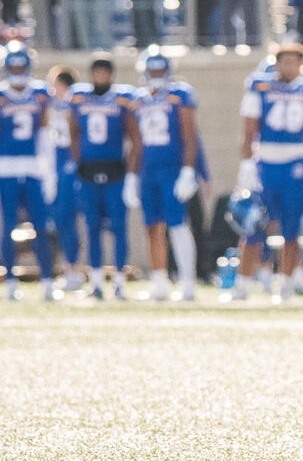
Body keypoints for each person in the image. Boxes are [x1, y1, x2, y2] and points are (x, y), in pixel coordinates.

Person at [238, 43, 303, 303]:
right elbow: (248, 129)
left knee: (292, 228)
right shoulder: (259, 85)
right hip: (265, 162)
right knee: (253, 224)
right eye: (285, 61)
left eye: (295, 62)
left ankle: (285, 286)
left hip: (296, 164)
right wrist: (246, 165)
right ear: (276, 63)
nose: (290, 66)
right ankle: (242, 286)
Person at [68, 55, 143, 301]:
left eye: (105, 73)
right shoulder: (78, 97)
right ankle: (97, 282)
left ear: (111, 75)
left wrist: (132, 174)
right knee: (92, 227)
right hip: (89, 170)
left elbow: (135, 137)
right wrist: (78, 162)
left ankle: (120, 281)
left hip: (115, 171)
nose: (101, 77)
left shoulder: (123, 98)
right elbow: (74, 134)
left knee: (119, 227)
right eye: (97, 73)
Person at [130, 50, 199, 302]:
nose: (156, 76)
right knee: (151, 226)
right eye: (153, 70)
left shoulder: (180, 95)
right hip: (148, 170)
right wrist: (131, 175)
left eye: (160, 71)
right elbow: (136, 143)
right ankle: (159, 281)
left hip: (172, 169)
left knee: (178, 225)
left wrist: (189, 170)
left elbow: (190, 136)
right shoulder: (137, 99)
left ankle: (187, 282)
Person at [0, 44, 56, 301]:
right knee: (8, 227)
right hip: (7, 166)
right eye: (14, 67)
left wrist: (49, 170)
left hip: (34, 166)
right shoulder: (2, 95)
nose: (18, 72)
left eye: (22, 67)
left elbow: (45, 132)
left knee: (41, 227)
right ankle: (10, 282)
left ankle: (47, 282)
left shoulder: (41, 94)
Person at [44, 65, 82, 295]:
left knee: (67, 219)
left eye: (56, 84)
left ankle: (73, 270)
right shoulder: (49, 105)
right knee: (55, 220)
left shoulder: (75, 105)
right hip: (53, 165)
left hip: (69, 163)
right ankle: (63, 270)